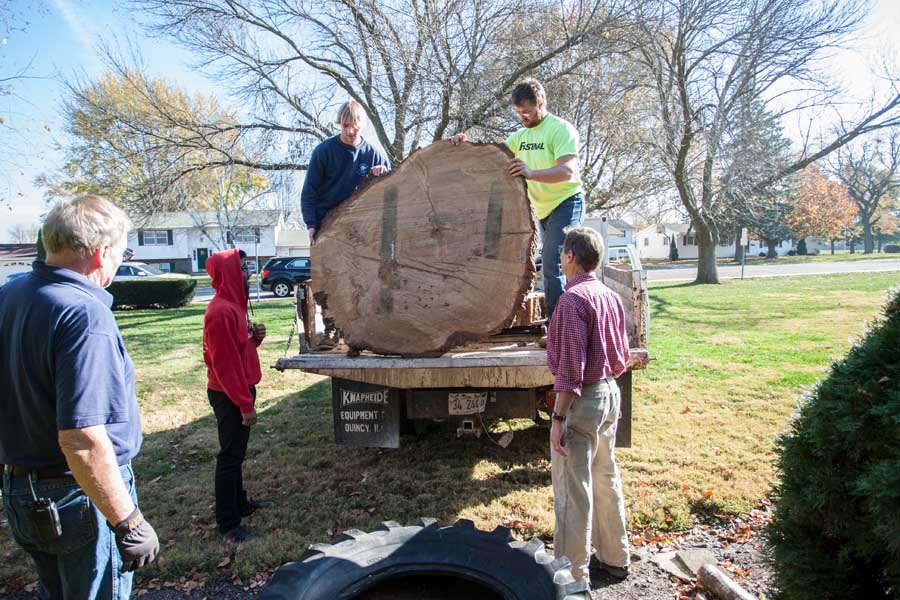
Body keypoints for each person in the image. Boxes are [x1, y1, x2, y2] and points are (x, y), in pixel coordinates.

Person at [0, 195, 159, 599]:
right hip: (77, 497)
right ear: (103, 253)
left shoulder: (11, 296)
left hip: (22, 491)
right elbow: (82, 438)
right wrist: (128, 520)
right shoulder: (83, 314)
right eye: (121, 254)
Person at [451, 78, 584, 320]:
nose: (522, 117)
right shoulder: (520, 137)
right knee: (549, 265)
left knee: (554, 263)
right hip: (542, 209)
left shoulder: (561, 129)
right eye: (518, 113)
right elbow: (491, 156)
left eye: (527, 112)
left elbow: (568, 172)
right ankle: (561, 319)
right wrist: (464, 145)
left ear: (541, 103)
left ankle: (557, 326)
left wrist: (531, 173)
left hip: (566, 201)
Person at [545, 227, 630, 584]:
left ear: (569, 257)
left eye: (562, 253)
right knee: (604, 476)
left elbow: (570, 369)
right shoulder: (609, 297)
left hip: (583, 400)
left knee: (572, 488)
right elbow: (621, 357)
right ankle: (615, 557)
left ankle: (571, 575)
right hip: (610, 393)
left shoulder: (571, 301)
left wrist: (558, 417)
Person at [301, 100, 390, 347]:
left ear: (362, 125)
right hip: (327, 224)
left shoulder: (373, 153)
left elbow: (391, 189)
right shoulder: (324, 152)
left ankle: (366, 329)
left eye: (355, 126)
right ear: (340, 124)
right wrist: (311, 225)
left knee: (363, 278)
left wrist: (381, 176)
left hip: (359, 228)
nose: (350, 131)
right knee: (329, 280)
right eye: (345, 125)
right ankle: (332, 329)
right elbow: (309, 192)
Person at [203, 248, 271, 542]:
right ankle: (229, 524)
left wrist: (254, 338)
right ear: (228, 273)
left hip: (239, 387)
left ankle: (241, 504)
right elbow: (225, 365)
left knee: (237, 454)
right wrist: (245, 405)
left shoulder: (235, 306)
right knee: (229, 457)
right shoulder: (220, 312)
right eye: (242, 268)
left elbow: (238, 351)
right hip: (229, 393)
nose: (248, 273)